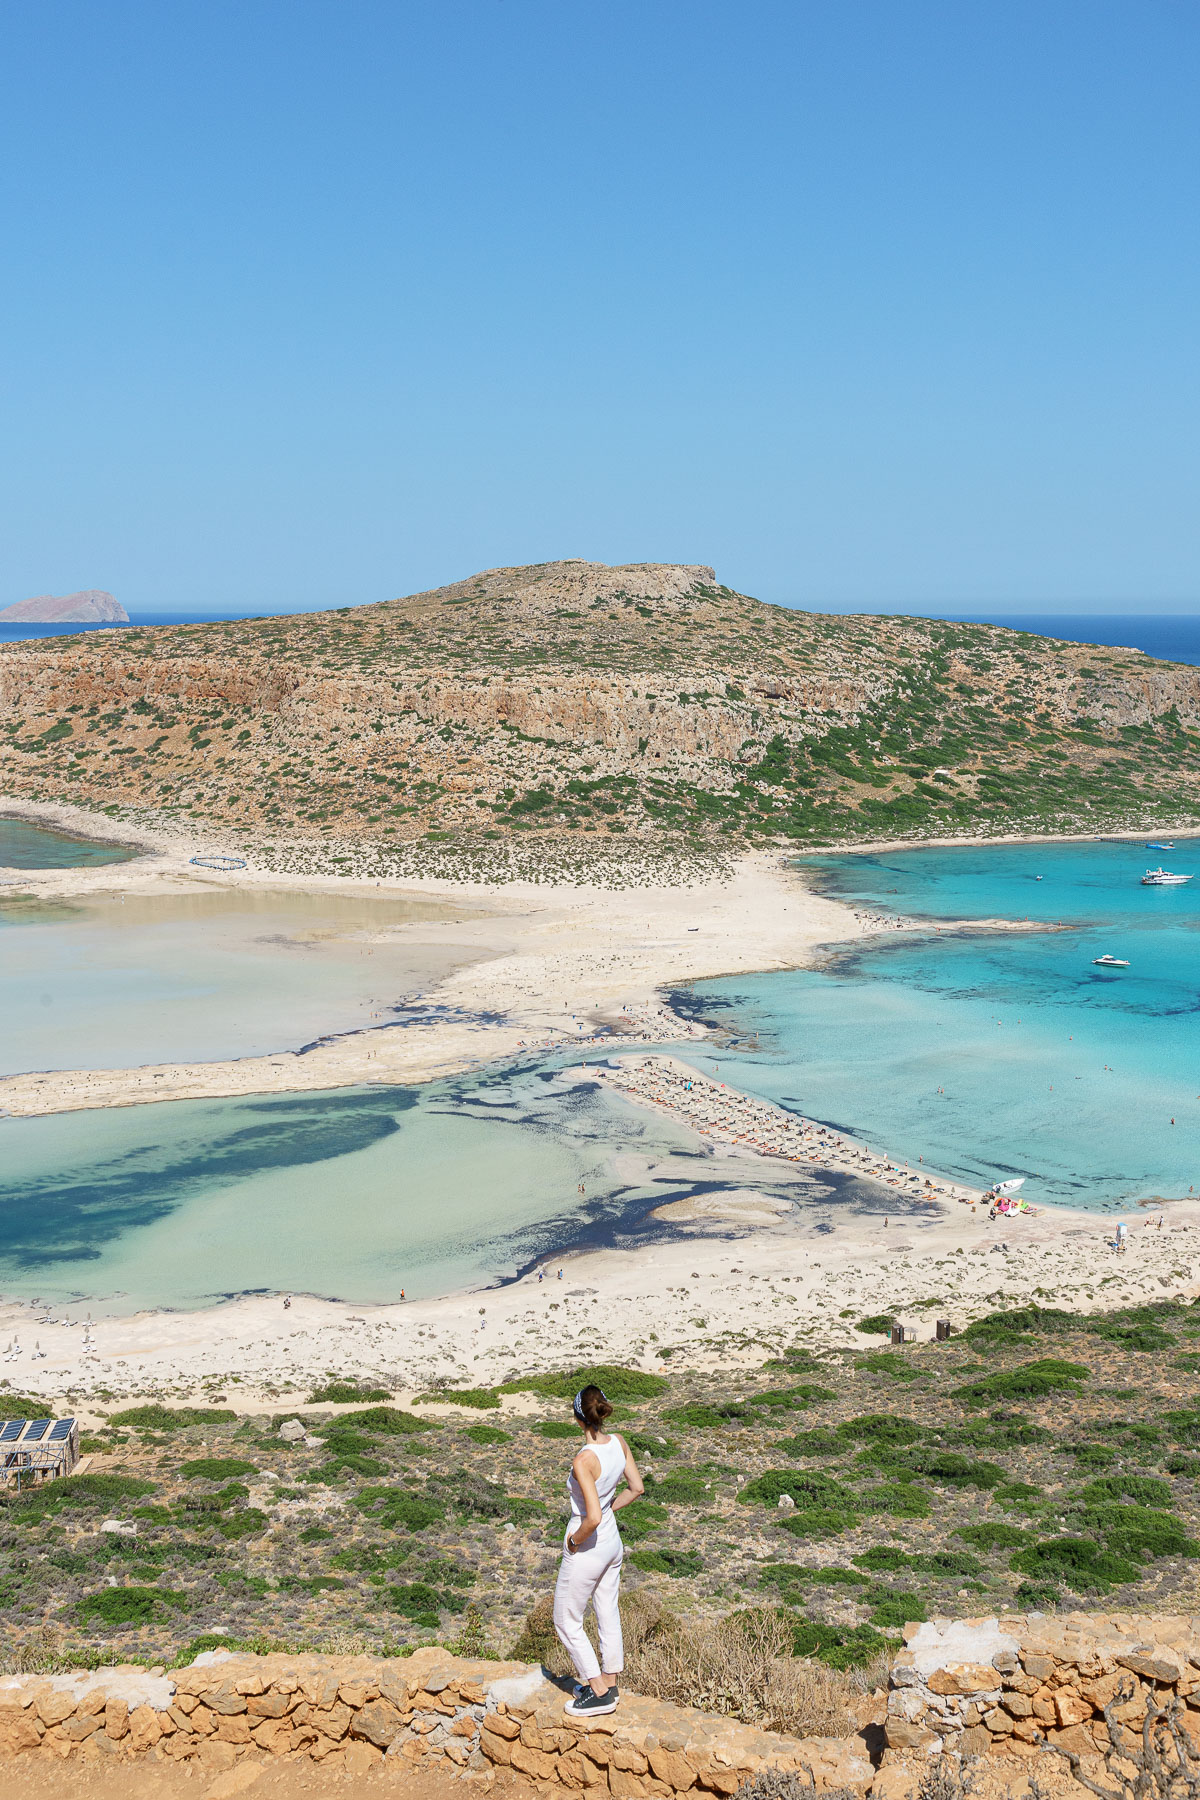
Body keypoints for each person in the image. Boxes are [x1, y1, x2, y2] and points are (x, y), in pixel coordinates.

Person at [552, 1384, 644, 1717]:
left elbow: (590, 1516)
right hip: (612, 1542)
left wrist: (574, 1540)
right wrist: (610, 1510)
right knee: (606, 1608)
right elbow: (637, 1488)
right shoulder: (618, 1442)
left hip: (589, 1547)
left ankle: (598, 1690)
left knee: (565, 1618)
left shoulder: (584, 1460)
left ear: (578, 1419)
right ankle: (611, 1679)